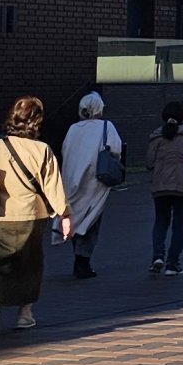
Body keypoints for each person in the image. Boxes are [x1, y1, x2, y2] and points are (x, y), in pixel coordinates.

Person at [0, 96, 70, 334]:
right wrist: (65, 215)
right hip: (31, 215)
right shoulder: (42, 150)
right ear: (37, 121)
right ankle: (24, 314)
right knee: (30, 264)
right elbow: (53, 187)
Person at [61, 94, 123, 279]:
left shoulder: (73, 129)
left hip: (72, 178)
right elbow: (116, 149)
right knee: (92, 218)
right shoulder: (106, 126)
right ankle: (83, 259)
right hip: (95, 179)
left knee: (75, 216)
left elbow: (65, 150)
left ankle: (78, 255)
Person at [144, 101, 183, 275]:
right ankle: (172, 264)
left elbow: (149, 163)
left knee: (160, 221)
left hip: (161, 186)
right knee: (179, 224)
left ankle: (157, 256)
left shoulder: (156, 136)